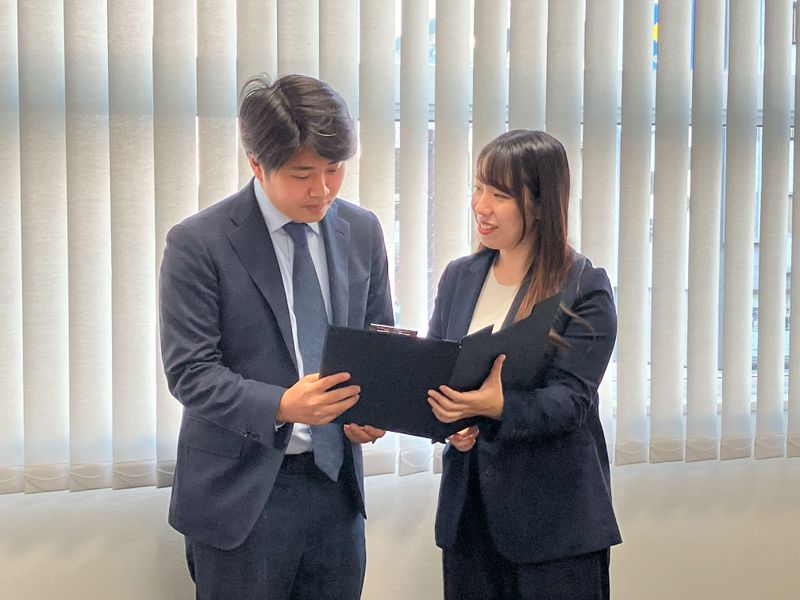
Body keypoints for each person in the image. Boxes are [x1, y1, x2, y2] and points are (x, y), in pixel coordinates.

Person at [158, 73, 393, 600]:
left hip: (335, 489)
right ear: (256, 164)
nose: (322, 190)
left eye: (334, 169)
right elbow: (190, 372)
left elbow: (377, 343)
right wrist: (284, 405)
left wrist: (374, 409)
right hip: (240, 495)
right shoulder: (199, 242)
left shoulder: (361, 230)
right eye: (302, 173)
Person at [427, 130, 622, 599]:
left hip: (555, 524)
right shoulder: (460, 276)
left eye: (499, 195)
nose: (481, 206)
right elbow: (435, 374)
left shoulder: (583, 286)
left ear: (539, 204)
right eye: (478, 188)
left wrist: (497, 408)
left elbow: (571, 401)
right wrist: (450, 424)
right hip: (470, 518)